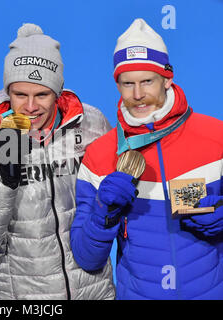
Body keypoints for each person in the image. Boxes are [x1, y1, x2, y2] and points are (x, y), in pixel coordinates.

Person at [0, 23, 114, 300]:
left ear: (58, 91)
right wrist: (5, 180)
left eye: (41, 94)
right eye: (20, 95)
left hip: (94, 292)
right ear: (8, 92)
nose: (30, 107)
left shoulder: (92, 125)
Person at [70, 18, 223, 299]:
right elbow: (86, 258)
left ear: (168, 78)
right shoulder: (100, 155)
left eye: (147, 81)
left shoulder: (216, 137)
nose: (137, 95)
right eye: (127, 84)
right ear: (116, 84)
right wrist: (104, 211)